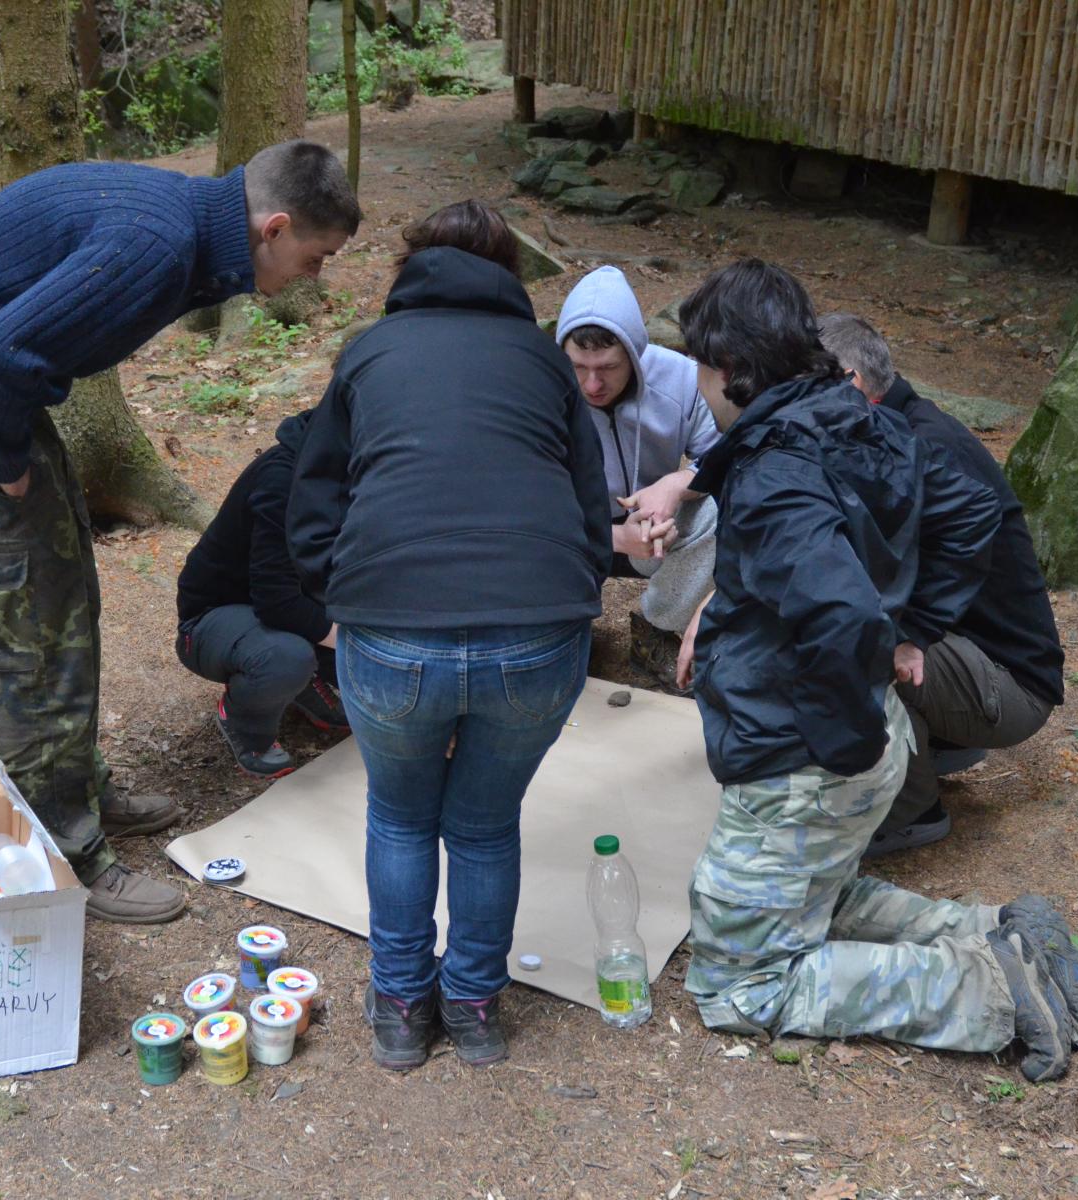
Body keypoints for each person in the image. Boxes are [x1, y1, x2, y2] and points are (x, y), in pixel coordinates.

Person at [0, 141, 362, 923]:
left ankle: (79, 789)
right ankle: (65, 854)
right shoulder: (158, 245)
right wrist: (4, 463)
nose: (314, 277)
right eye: (316, 258)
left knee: (67, 606)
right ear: (274, 228)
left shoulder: (188, 233)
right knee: (24, 637)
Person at [674, 259, 1078, 1082]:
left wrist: (836, 738)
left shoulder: (776, 472)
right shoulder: (849, 417)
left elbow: (840, 614)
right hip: (849, 736)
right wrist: (909, 634)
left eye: (696, 364)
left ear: (728, 367)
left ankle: (992, 990)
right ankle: (996, 931)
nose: (694, 384)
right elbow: (971, 509)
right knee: (817, 893)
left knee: (736, 986)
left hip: (801, 753)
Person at [289, 201, 612, 1070]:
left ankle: (401, 1006)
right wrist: (574, 589)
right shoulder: (541, 361)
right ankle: (471, 1004)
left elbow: (312, 495)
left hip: (392, 627)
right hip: (535, 632)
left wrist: (337, 596)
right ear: (507, 271)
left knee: (400, 817)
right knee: (484, 824)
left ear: (411, 266)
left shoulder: (370, 353)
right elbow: (589, 501)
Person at [816, 314, 1064, 858]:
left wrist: (908, 635)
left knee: (853, 640)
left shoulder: (923, 446)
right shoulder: (893, 428)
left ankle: (911, 811)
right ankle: (937, 744)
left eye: (809, 385)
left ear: (851, 382)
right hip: (971, 661)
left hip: (1009, 685)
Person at [175, 411, 346, 779]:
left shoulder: (353, 472)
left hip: (296, 608)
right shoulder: (283, 480)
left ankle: (305, 683)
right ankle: (246, 724)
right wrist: (357, 645)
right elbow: (276, 600)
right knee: (287, 658)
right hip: (215, 618)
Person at [556, 267, 721, 635]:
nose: (592, 385)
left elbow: (728, 456)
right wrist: (611, 537)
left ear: (634, 353)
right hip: (572, 533)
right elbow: (522, 503)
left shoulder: (681, 378)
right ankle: (561, 636)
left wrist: (678, 484)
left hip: (657, 528)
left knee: (718, 509)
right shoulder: (543, 388)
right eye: (578, 367)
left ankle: (659, 630)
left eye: (608, 367)